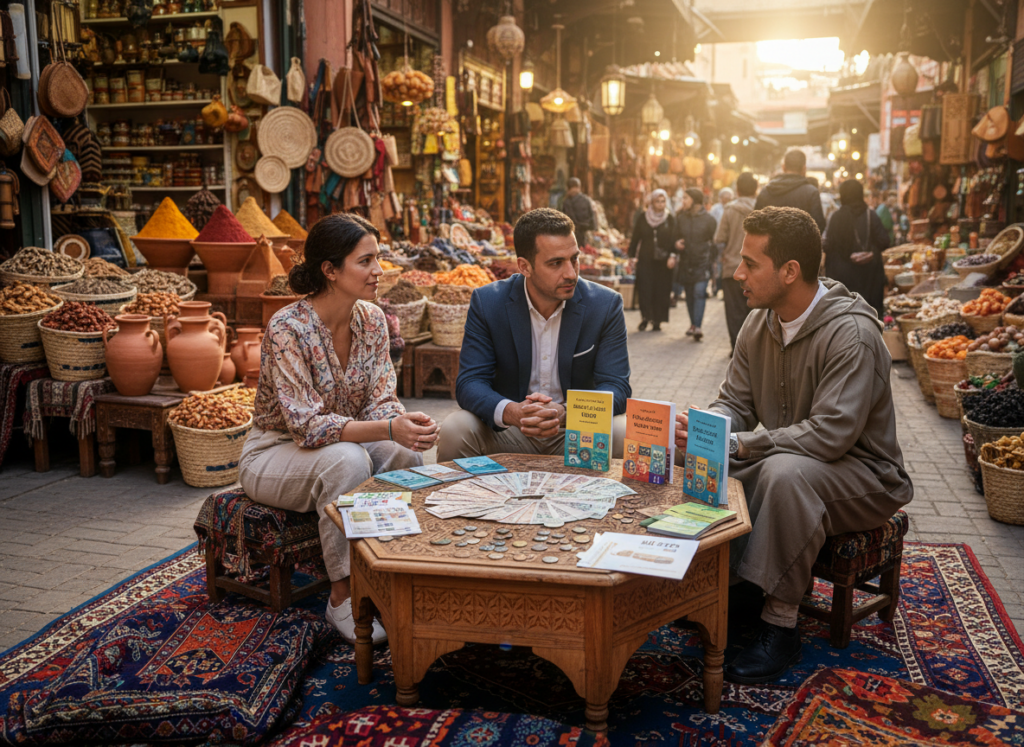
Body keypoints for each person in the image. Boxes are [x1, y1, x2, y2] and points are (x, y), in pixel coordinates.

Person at [673, 206, 913, 684]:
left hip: (866, 476)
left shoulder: (854, 334)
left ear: (790, 272)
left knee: (782, 475)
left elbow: (831, 435)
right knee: (712, 459)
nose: (737, 273)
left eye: (750, 263)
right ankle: (740, 586)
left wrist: (742, 443)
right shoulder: (757, 323)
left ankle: (780, 625)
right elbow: (735, 402)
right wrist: (708, 429)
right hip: (792, 459)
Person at [239, 213, 439, 644]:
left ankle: (394, 575)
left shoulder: (373, 321)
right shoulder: (287, 328)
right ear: (330, 270)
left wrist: (406, 425)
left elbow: (383, 400)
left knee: (404, 454)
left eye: (378, 259)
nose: (379, 271)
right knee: (347, 461)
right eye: (365, 261)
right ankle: (343, 597)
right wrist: (387, 426)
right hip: (274, 451)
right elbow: (307, 427)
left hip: (338, 442)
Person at [437, 208, 631, 461]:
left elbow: (616, 386)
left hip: (579, 431)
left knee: (625, 430)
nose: (571, 273)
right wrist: (513, 412)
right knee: (455, 428)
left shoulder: (605, 306)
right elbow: (469, 383)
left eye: (574, 259)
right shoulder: (488, 303)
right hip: (510, 431)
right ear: (524, 266)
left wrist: (565, 412)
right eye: (556, 263)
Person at [824, 180, 891, 318]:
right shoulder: (870, 215)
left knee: (845, 318)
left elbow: (827, 245)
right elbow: (884, 240)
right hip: (869, 279)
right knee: (869, 316)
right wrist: (870, 253)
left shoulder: (836, 217)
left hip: (842, 280)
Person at [715, 172, 758, 350]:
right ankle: (753, 349)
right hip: (757, 269)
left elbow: (719, 239)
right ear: (755, 190)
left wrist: (723, 254)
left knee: (733, 312)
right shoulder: (762, 208)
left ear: (737, 190)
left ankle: (737, 348)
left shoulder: (730, 209)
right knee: (755, 312)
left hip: (732, 267)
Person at [628, 189, 678, 331]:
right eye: (657, 201)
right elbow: (635, 238)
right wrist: (632, 256)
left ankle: (657, 320)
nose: (660, 204)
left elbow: (674, 238)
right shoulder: (643, 217)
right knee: (645, 289)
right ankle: (645, 317)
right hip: (646, 259)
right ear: (652, 202)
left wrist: (673, 256)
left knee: (661, 290)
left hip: (663, 262)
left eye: (663, 201)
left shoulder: (670, 219)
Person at [674, 187, 718, 341]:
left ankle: (698, 326)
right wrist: (677, 244)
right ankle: (693, 324)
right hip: (686, 262)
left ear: (695, 201)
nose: (683, 201)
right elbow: (676, 237)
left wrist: (713, 262)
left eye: (686, 198)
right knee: (690, 295)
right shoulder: (681, 218)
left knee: (699, 293)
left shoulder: (709, 220)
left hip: (702, 262)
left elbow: (714, 243)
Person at [754, 149, 826, 231]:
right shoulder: (811, 192)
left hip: (771, 244)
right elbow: (818, 226)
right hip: (800, 243)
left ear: (783, 167)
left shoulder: (766, 191)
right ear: (804, 169)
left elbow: (755, 224)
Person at [709, 188, 734, 296]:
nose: (727, 199)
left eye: (729, 197)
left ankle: (724, 287)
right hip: (717, 242)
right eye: (725, 197)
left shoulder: (733, 208)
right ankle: (717, 286)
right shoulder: (715, 209)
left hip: (730, 242)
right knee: (717, 265)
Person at [560, 177, 595, 249]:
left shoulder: (567, 201)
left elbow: (565, 220)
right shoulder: (586, 200)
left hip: (573, 236)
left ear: (568, 188)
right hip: (586, 235)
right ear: (579, 187)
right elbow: (593, 220)